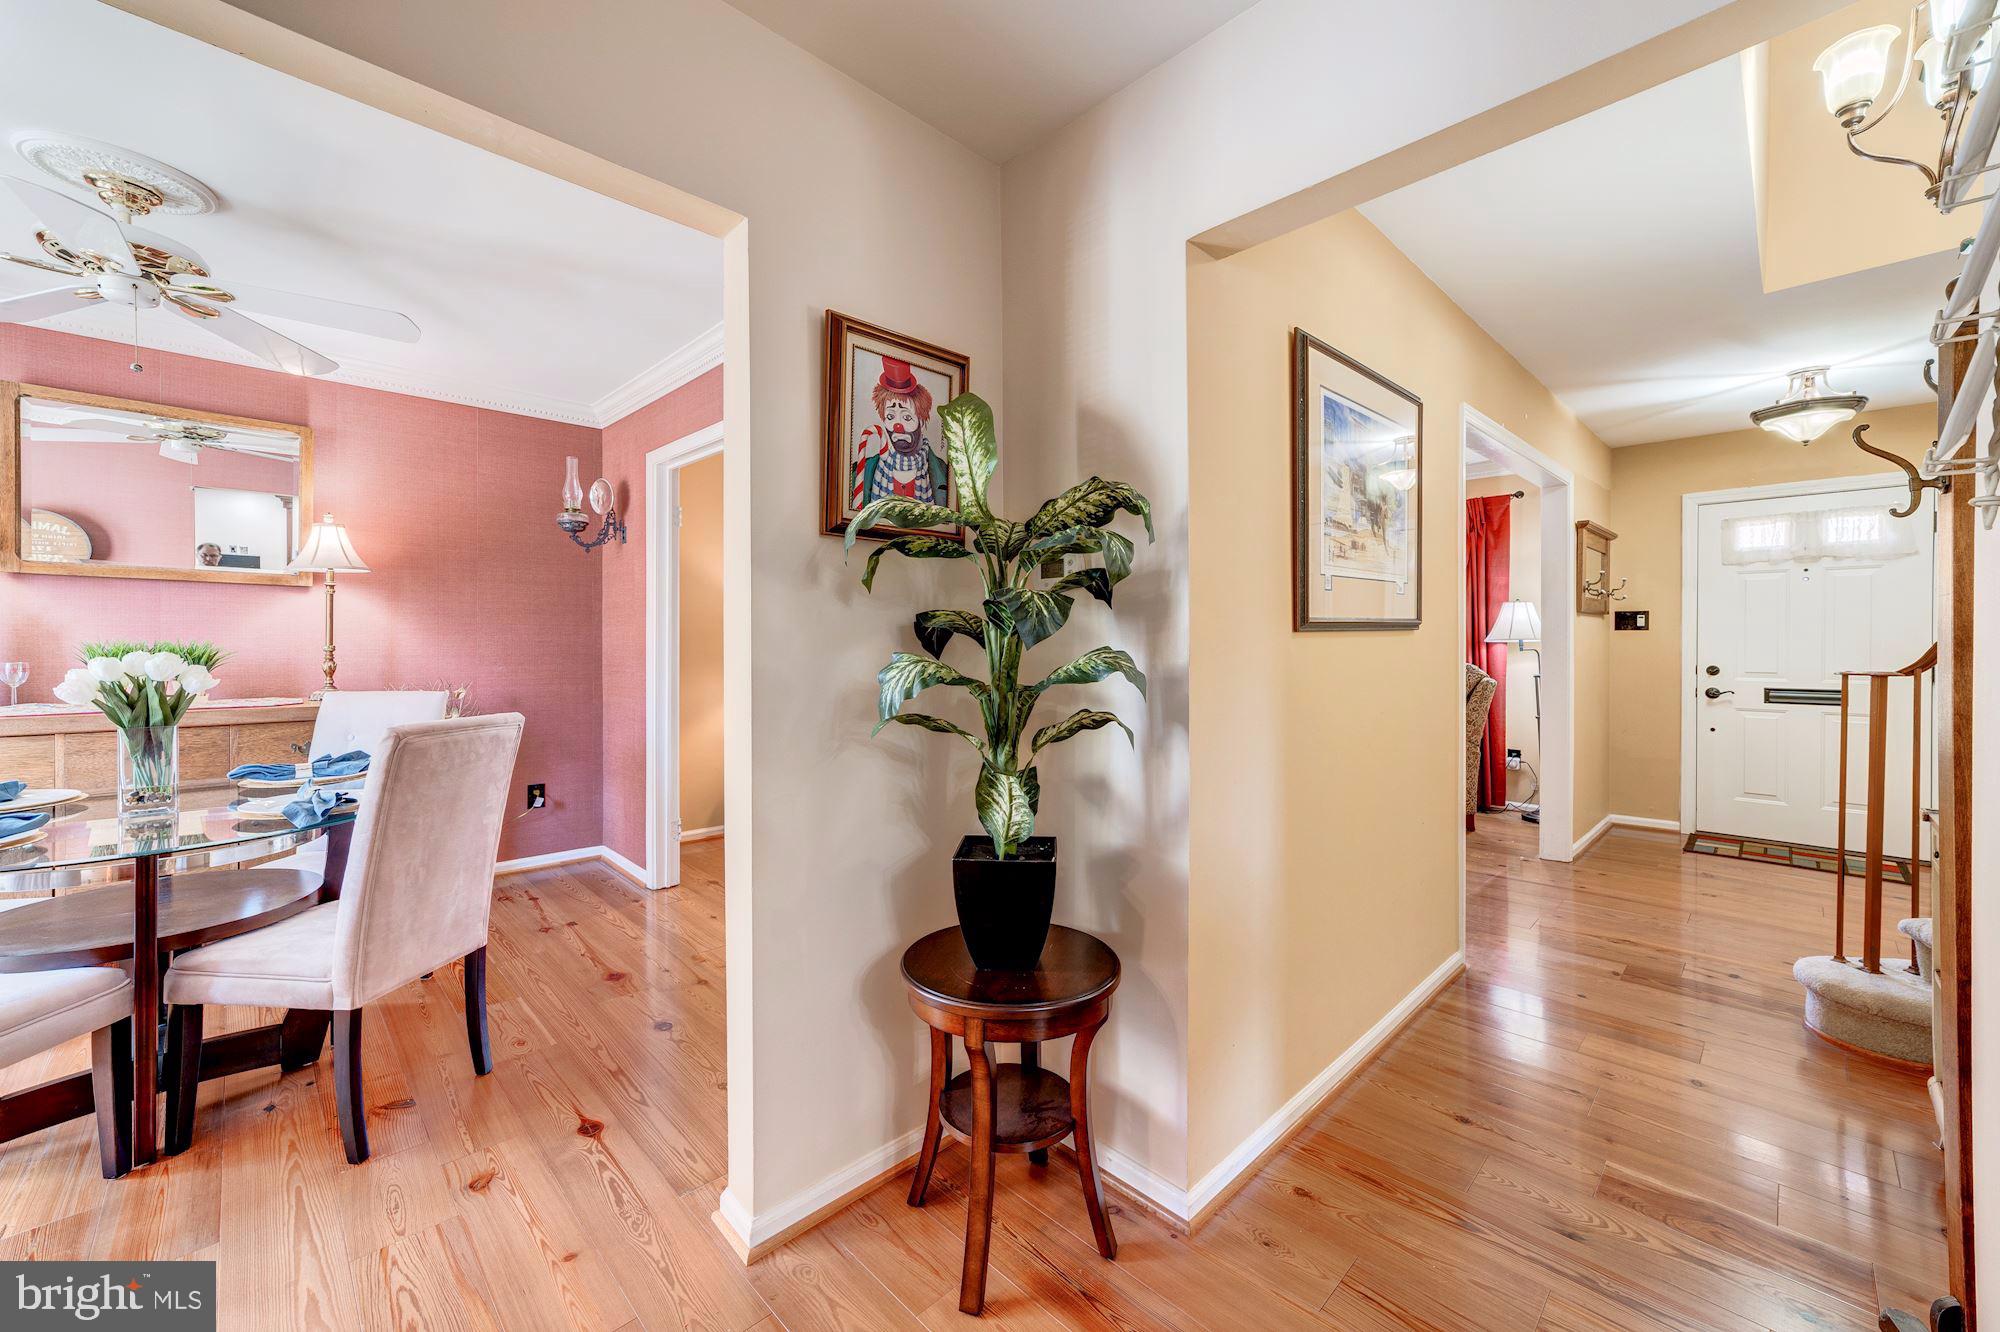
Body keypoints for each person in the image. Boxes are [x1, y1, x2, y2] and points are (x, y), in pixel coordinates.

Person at [851, 355, 949, 513]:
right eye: (890, 417)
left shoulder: (944, 473)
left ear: (921, 420)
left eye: (907, 417)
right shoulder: (861, 472)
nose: (898, 427)